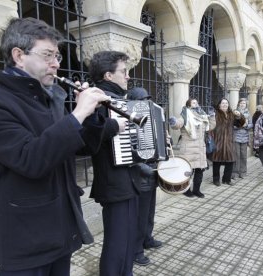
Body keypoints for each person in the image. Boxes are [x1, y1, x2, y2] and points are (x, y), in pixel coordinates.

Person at [0, 18, 110, 275]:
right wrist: (77, 114)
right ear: (19, 56)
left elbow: (81, 149)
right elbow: (30, 160)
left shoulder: (51, 98)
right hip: (27, 237)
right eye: (48, 55)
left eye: (57, 55)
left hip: (62, 228)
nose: (56, 63)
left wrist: (92, 117)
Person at [87, 51, 140, 276]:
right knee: (117, 242)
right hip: (113, 181)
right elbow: (87, 140)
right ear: (108, 75)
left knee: (128, 237)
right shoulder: (96, 99)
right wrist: (112, 127)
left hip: (128, 180)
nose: (127, 77)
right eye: (123, 72)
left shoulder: (120, 100)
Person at [126, 87, 163, 266]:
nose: (145, 103)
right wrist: (141, 165)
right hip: (139, 174)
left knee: (149, 212)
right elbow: (128, 149)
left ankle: (147, 239)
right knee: (140, 216)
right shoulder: (127, 118)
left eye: (147, 99)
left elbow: (157, 142)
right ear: (132, 101)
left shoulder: (151, 118)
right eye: (141, 100)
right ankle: (136, 250)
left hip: (152, 171)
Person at [169, 98, 215, 197]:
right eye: (194, 102)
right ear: (189, 105)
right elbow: (178, 124)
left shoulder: (202, 116)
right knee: (188, 171)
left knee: (199, 171)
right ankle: (186, 190)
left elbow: (210, 126)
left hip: (200, 149)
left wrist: (211, 116)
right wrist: (173, 122)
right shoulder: (185, 115)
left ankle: (196, 190)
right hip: (188, 149)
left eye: (197, 102)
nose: (196, 104)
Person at [211, 98, 245, 186]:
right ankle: (216, 179)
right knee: (216, 161)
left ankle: (227, 179)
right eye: (223, 103)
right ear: (219, 105)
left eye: (226, 103)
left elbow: (240, 124)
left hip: (229, 141)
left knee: (230, 161)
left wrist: (239, 116)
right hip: (218, 141)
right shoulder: (215, 114)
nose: (225, 105)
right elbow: (210, 127)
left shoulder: (231, 114)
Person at [232, 98, 253, 179]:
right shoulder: (234, 113)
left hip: (245, 137)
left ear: (246, 105)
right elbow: (231, 124)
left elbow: (251, 124)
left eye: (244, 103)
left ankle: (243, 172)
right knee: (236, 155)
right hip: (236, 136)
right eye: (241, 103)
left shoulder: (248, 113)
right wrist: (238, 126)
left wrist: (246, 126)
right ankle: (235, 173)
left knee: (243, 156)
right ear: (238, 104)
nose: (242, 104)